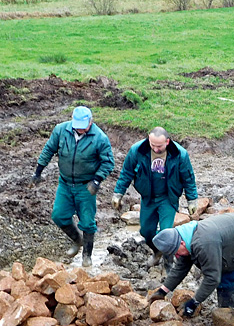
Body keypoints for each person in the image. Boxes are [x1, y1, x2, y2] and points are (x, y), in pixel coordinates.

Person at [29, 106, 114, 267]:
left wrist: (97, 180)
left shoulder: (99, 138)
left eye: (84, 127)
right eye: (78, 126)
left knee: (88, 222)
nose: (81, 130)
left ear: (91, 122)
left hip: (85, 186)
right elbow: (49, 149)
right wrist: (38, 171)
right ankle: (77, 240)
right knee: (59, 215)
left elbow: (108, 162)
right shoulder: (61, 130)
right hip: (65, 183)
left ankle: (87, 256)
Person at [111, 127, 199, 266]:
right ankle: (157, 251)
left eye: (159, 146)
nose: (156, 149)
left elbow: (188, 178)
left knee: (166, 233)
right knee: (146, 231)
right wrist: (118, 193)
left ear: (167, 142)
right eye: (153, 145)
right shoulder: (137, 151)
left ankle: (169, 265)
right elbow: (126, 173)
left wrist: (192, 200)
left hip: (168, 198)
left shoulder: (180, 155)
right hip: (148, 197)